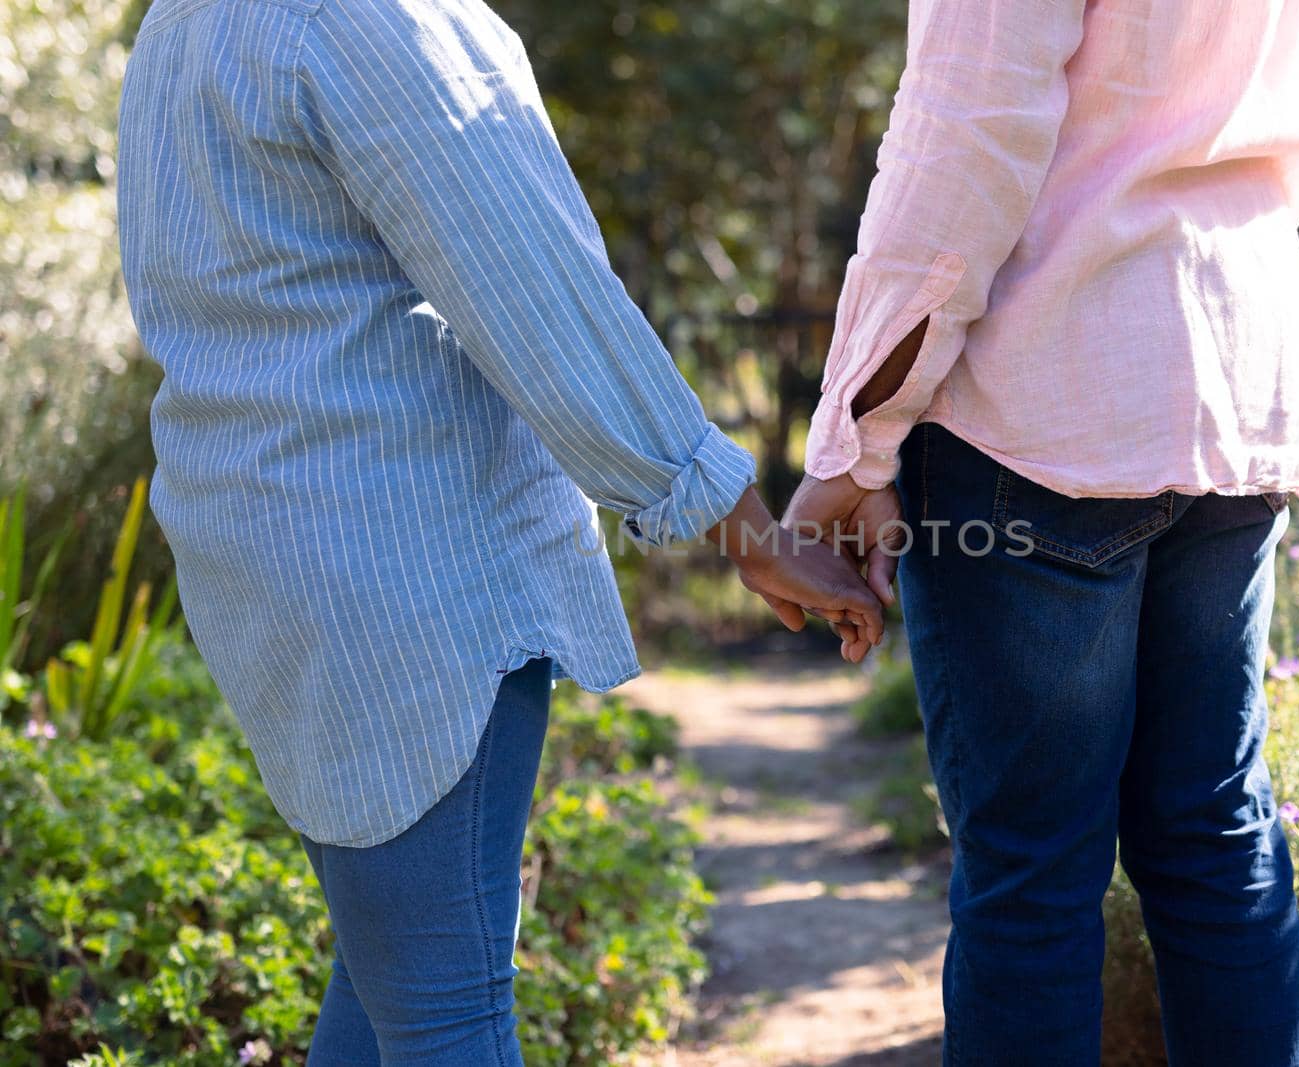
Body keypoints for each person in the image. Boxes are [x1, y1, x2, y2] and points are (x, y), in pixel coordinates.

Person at [114, 0, 883, 1061]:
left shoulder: (184, 19)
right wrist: (741, 524)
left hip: (268, 552)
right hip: (405, 564)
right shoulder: (380, 17)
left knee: (387, 985)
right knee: (444, 1013)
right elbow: (540, 294)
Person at [784, 1, 1299, 1063]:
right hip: (1238, 366)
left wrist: (855, 439)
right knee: (1213, 834)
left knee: (1031, 873)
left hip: (1045, 386)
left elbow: (965, 132)